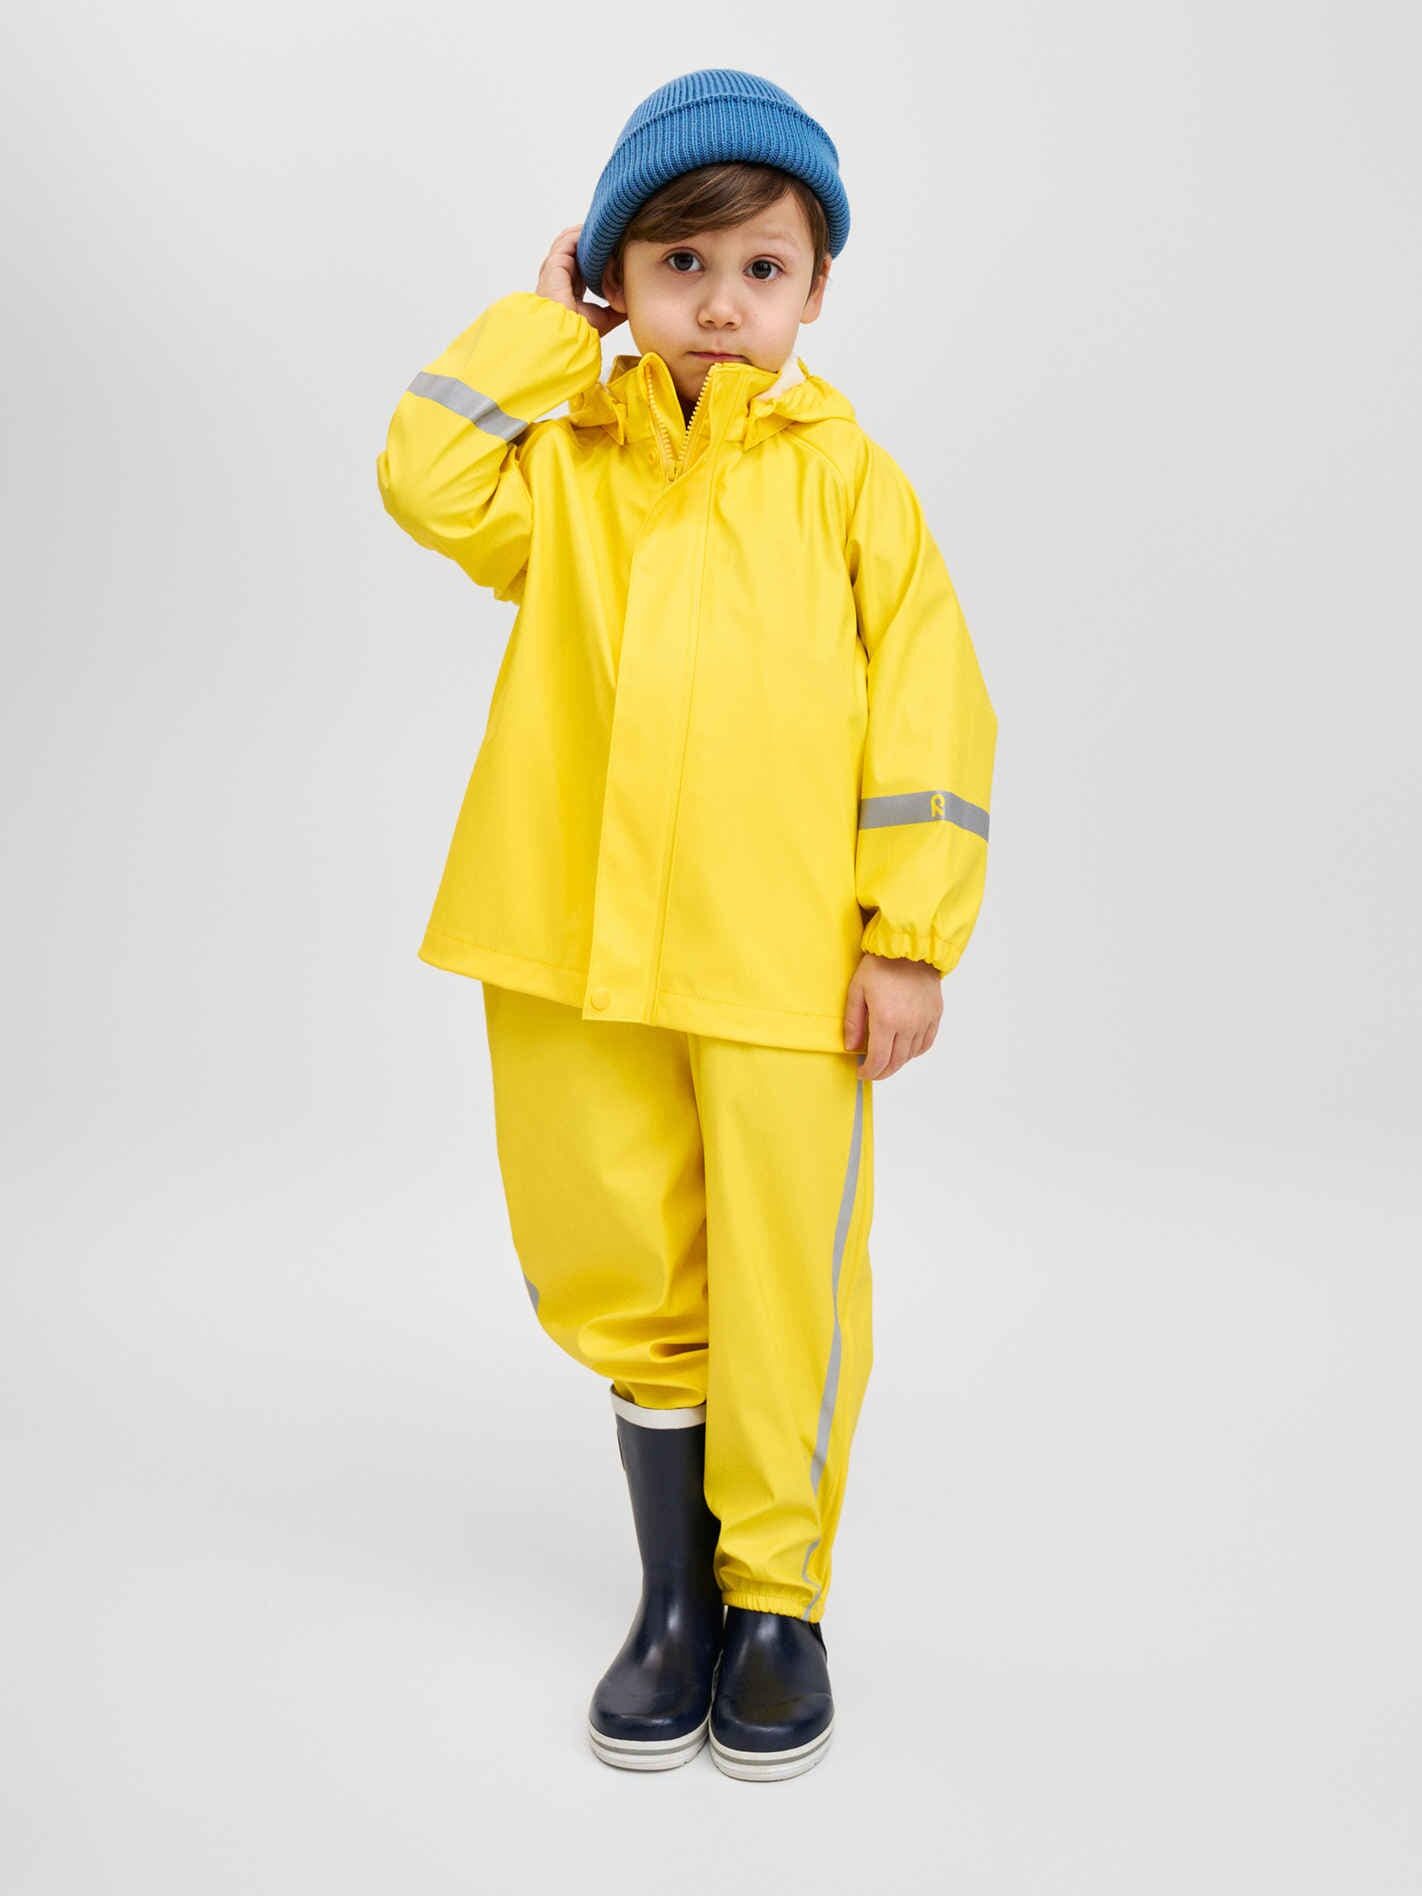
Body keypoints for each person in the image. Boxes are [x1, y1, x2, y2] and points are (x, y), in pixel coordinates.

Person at [376, 67, 998, 1782]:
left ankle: (776, 1599)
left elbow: (931, 717)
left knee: (783, 1276)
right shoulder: (563, 468)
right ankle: (674, 1603)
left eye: (762, 270)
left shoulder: (847, 484)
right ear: (618, 285)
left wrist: (907, 933)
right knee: (623, 1268)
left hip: (781, 959)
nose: (720, 306)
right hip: (571, 946)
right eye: (677, 266)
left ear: (815, 292)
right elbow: (424, 479)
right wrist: (535, 323)